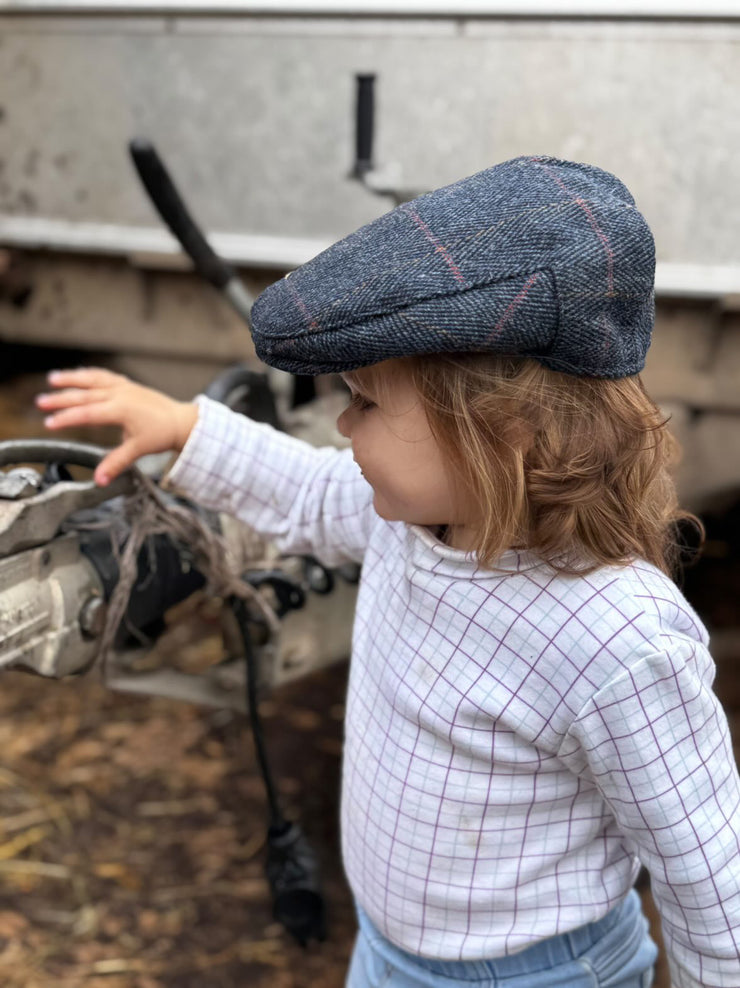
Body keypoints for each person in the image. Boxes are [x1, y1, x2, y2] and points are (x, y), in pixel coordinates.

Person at [37, 156, 740, 988]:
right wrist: (187, 428)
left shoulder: (618, 637)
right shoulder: (412, 526)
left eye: (366, 401)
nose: (341, 419)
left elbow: (707, 880)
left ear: (502, 428)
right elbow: (301, 487)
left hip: (538, 974)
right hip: (389, 948)